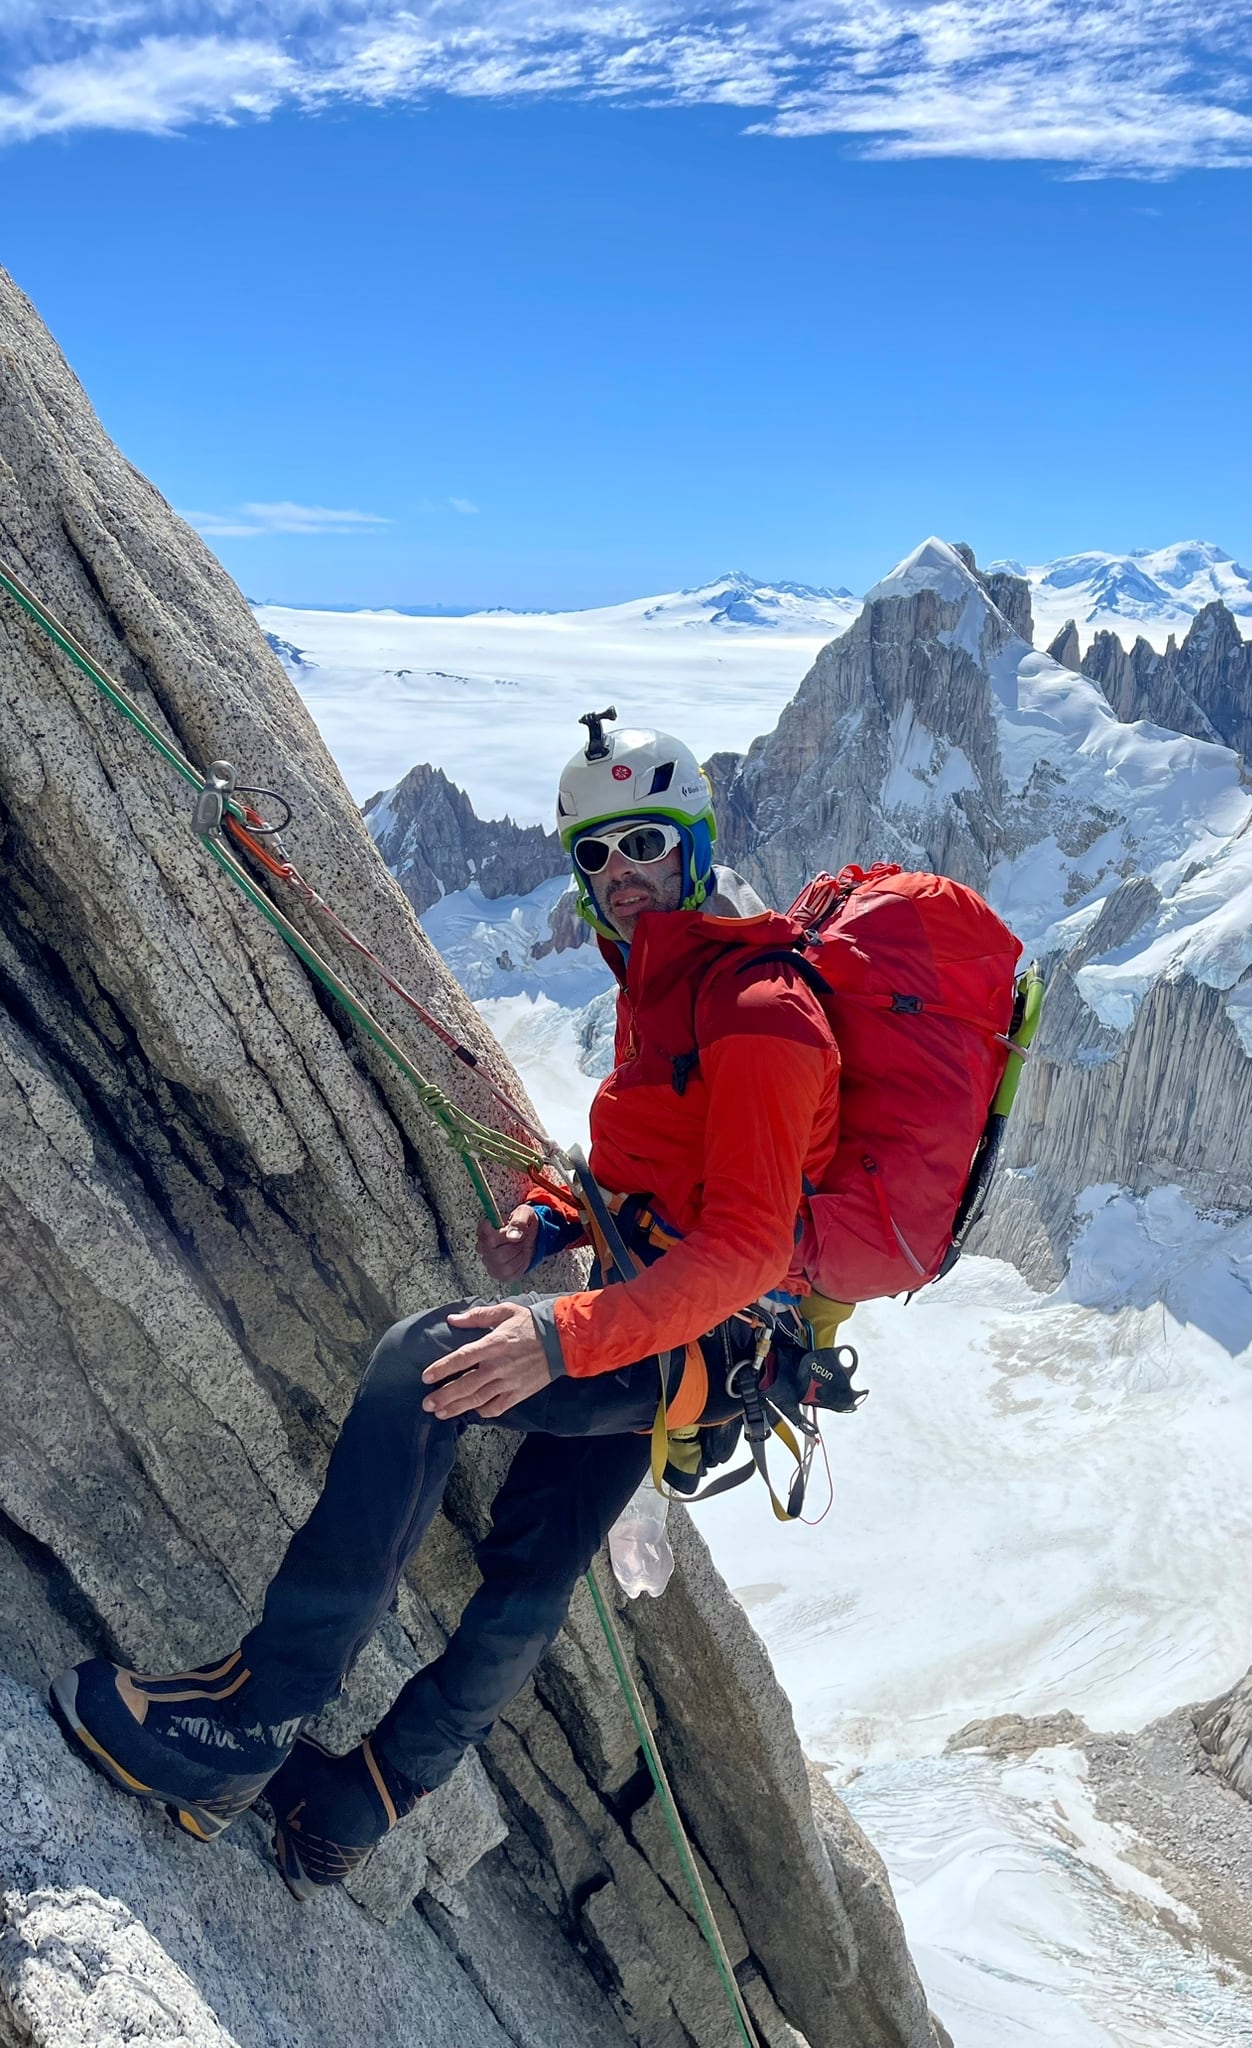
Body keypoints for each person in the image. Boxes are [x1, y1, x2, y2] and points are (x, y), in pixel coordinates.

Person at [52, 713, 841, 1897]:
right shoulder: (671, 980)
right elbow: (667, 1174)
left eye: (643, 841)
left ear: (697, 840)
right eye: (593, 853)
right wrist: (558, 1218)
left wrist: (551, 1330)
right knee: (532, 1565)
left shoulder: (762, 1008)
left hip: (701, 1331)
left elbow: (742, 1246)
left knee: (430, 1364)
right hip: (681, 1327)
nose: (620, 873)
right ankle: (349, 1811)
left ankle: (243, 1725)